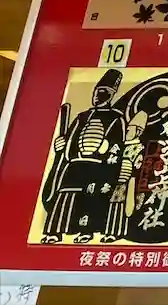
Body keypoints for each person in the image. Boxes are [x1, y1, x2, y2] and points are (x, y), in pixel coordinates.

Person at [40, 70, 128, 243]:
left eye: (103, 93)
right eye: (97, 92)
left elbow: (117, 146)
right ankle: (55, 231)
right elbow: (71, 140)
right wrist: (62, 146)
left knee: (91, 199)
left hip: (97, 167)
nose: (98, 96)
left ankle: (86, 231)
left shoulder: (116, 119)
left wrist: (106, 155)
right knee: (65, 196)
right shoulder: (82, 117)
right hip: (75, 165)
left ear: (111, 95)